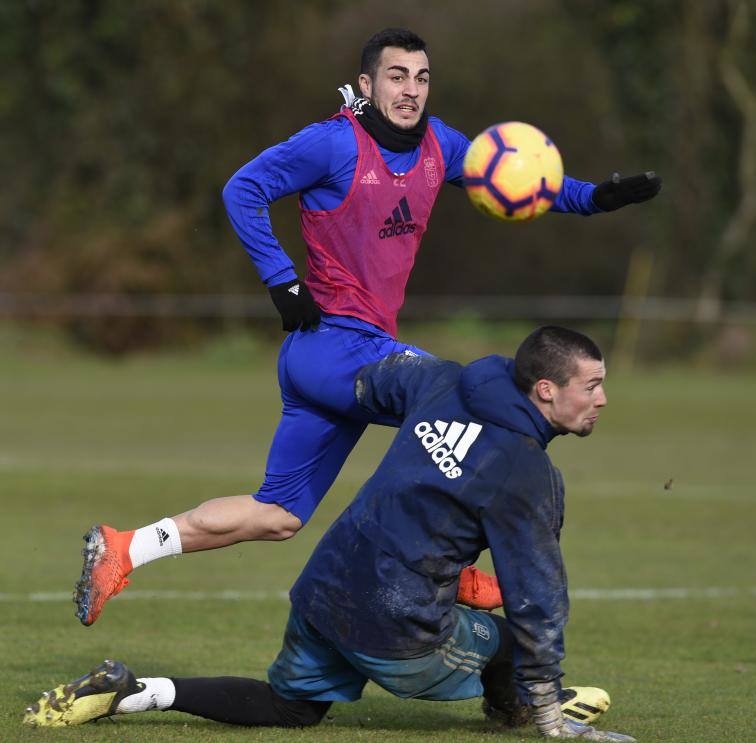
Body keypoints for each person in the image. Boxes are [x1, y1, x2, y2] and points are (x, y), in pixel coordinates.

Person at [73, 27, 661, 627]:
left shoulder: (442, 145)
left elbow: (523, 182)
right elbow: (242, 188)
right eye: (397, 76)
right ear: (367, 83)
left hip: (340, 362)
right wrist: (282, 280)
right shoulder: (332, 144)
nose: (410, 90)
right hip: (334, 346)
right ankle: (450, 566)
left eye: (422, 78)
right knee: (459, 397)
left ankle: (124, 549)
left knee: (277, 516)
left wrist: (595, 198)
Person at [30, 327, 635, 741]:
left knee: (291, 707)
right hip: (396, 628)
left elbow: (372, 385)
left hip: (323, 590)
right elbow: (539, 599)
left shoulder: (443, 381)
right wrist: (550, 698)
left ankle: (135, 691)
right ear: (546, 390)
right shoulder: (527, 472)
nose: (604, 399)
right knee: (505, 642)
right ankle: (528, 717)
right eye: (593, 386)